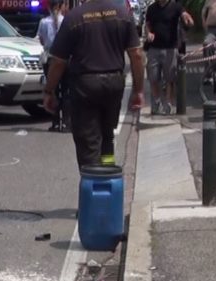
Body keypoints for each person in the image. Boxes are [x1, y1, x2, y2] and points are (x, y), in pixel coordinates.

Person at [44, 0, 145, 168]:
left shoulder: (74, 17)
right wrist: (138, 90)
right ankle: (108, 173)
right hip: (114, 83)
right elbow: (136, 55)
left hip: (85, 86)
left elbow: (58, 61)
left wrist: (49, 91)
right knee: (107, 135)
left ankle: (93, 180)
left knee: (88, 143)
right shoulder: (122, 14)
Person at [145, 0, 193, 115]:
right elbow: (147, 24)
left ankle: (168, 103)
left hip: (170, 48)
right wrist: (148, 33)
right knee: (153, 77)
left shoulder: (175, 7)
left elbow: (184, 15)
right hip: (154, 48)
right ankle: (156, 101)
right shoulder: (151, 8)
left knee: (170, 78)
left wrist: (187, 18)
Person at [37, 0, 68, 132]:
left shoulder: (43, 22)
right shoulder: (66, 21)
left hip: (49, 59)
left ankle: (55, 122)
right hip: (64, 59)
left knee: (52, 91)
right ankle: (66, 122)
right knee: (66, 91)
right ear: (61, 6)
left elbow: (41, 40)